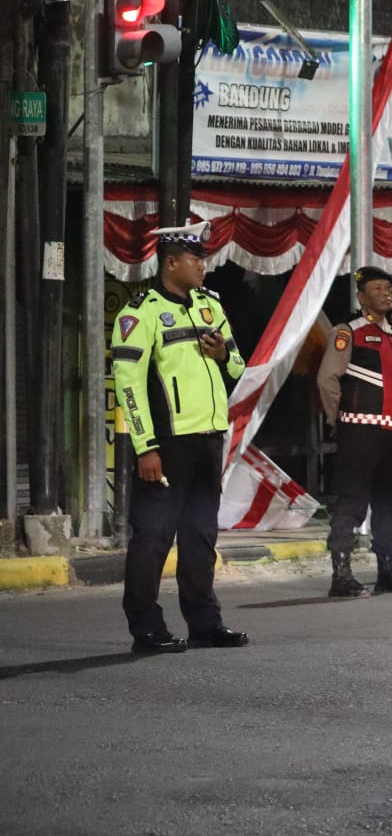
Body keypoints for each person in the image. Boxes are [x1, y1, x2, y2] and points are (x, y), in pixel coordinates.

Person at [109, 220, 249, 653]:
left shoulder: (211, 306)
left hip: (208, 438)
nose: (203, 266)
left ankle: (205, 624)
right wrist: (145, 447)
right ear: (171, 263)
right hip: (166, 444)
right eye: (195, 259)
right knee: (152, 539)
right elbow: (129, 385)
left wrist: (222, 354)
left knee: (201, 537)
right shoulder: (141, 313)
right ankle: (146, 629)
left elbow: (238, 366)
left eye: (203, 259)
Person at [317, 265, 392, 598]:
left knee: (390, 503)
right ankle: (341, 575)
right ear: (361, 297)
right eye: (377, 289)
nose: (386, 293)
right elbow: (327, 379)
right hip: (359, 432)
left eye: (389, 288)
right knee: (351, 501)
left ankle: (388, 571)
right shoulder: (349, 331)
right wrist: (338, 420)